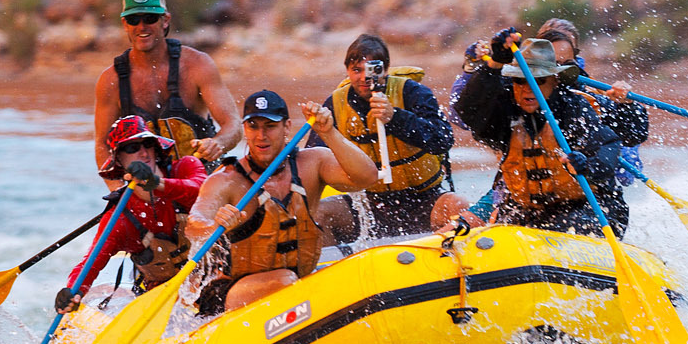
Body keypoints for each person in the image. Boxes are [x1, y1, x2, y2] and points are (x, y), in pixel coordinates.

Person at [184, 89, 380, 313]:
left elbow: (367, 178)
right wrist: (214, 226)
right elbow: (194, 223)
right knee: (285, 281)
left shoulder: (312, 163)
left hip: (294, 284)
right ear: (245, 130)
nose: (261, 136)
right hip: (231, 292)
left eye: (270, 126)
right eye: (253, 126)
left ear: (287, 127)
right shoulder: (227, 179)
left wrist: (329, 132)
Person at [449, 34, 629, 237]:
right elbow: (468, 111)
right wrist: (495, 64)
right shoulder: (504, 112)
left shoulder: (574, 109)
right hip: (527, 210)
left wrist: (587, 166)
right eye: (520, 81)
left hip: (589, 208)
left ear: (554, 81)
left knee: (566, 225)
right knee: (503, 231)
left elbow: (609, 146)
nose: (527, 89)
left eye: (539, 81)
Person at [310, 33, 470, 242]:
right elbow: (313, 161)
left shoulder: (413, 93)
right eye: (356, 70)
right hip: (367, 204)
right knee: (316, 213)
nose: (364, 78)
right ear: (347, 71)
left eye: (371, 70)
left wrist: (395, 117)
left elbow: (443, 139)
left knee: (459, 207)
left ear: (385, 69)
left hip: (424, 199)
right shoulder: (335, 104)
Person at [56, 115, 208, 312]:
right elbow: (91, 263)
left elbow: (202, 190)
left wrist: (158, 183)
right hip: (165, 300)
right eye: (132, 148)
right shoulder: (120, 217)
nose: (143, 153)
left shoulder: (186, 168)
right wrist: (73, 291)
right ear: (119, 160)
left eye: (147, 144)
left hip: (213, 279)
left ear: (156, 148)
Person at [92, 0, 241, 178]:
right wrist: (117, 189)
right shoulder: (111, 81)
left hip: (201, 185)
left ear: (165, 20)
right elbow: (102, 145)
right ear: (124, 24)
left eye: (150, 18)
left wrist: (218, 144)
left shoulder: (198, 65)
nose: (142, 26)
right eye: (133, 19)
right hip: (147, 191)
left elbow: (234, 126)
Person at [532, 17, 650, 185]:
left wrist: (626, 105)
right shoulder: (520, 85)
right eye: (553, 52)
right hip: (535, 177)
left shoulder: (584, 93)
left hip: (581, 176)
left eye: (567, 48)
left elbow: (633, 133)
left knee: (623, 171)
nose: (561, 52)